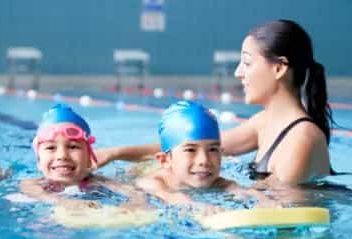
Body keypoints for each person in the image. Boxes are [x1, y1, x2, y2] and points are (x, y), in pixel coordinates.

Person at [95, 19, 333, 186]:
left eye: (247, 63)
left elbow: (272, 206)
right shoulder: (265, 122)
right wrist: (115, 154)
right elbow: (189, 145)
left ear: (279, 68)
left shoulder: (301, 140)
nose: (239, 73)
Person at [135, 100, 274, 208]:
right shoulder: (153, 182)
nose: (204, 160)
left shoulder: (219, 182)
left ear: (221, 154)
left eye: (213, 150)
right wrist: (193, 205)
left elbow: (239, 190)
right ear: (165, 160)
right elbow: (168, 196)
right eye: (190, 150)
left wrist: (262, 199)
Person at [20, 104, 145, 208]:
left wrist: (137, 202)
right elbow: (37, 194)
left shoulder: (98, 181)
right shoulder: (34, 184)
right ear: (38, 162)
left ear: (89, 159)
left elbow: (134, 193)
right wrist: (64, 202)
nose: (62, 155)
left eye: (73, 147)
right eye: (51, 147)